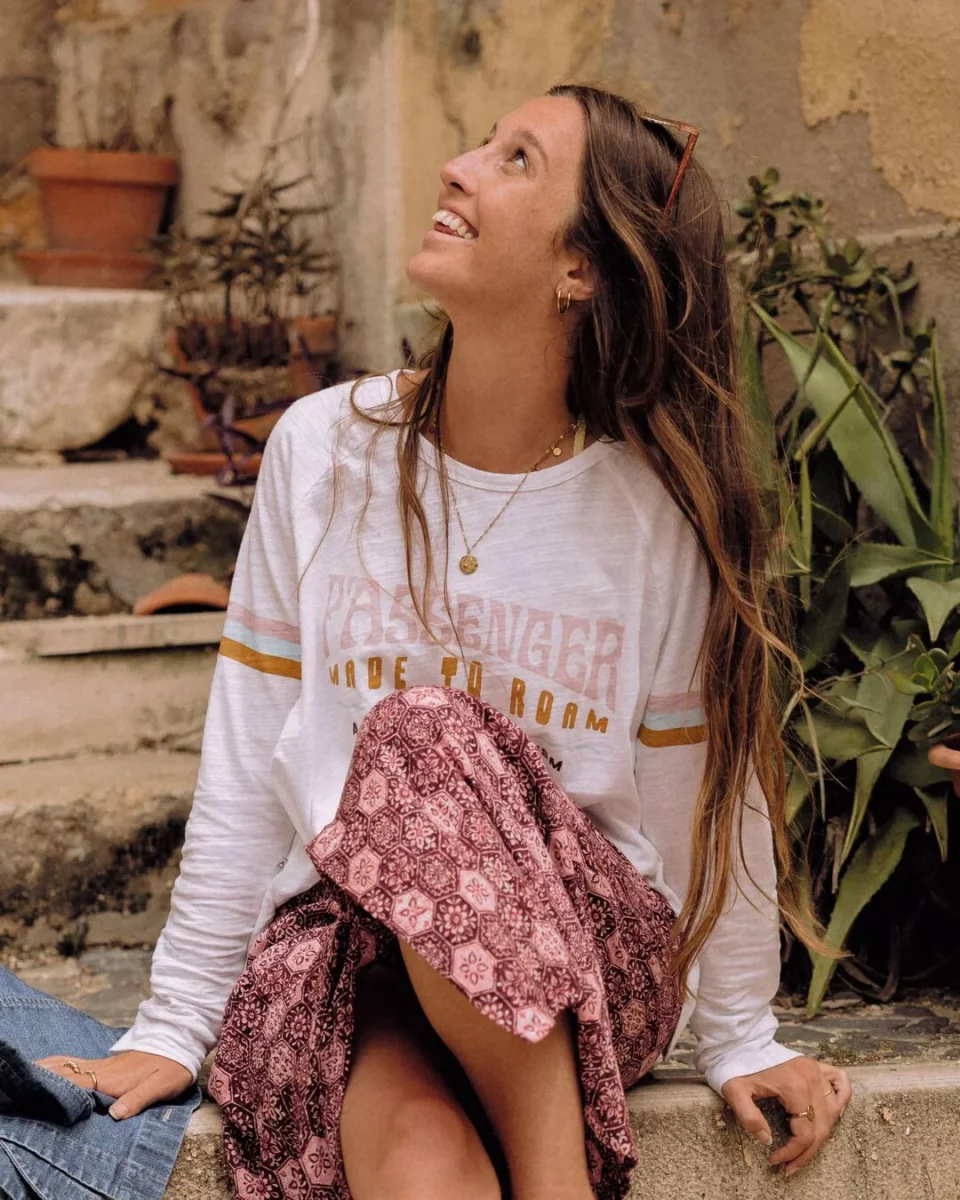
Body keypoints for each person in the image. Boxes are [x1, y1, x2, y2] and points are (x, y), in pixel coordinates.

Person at [35, 84, 854, 1198]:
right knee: (423, 1169)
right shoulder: (326, 452)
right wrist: (176, 1021)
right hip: (351, 963)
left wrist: (742, 1034)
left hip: (582, 962)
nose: (458, 167)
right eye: (479, 142)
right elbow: (249, 755)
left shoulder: (651, 515)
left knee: (420, 734)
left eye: (516, 160)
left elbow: (704, 791)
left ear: (580, 269)